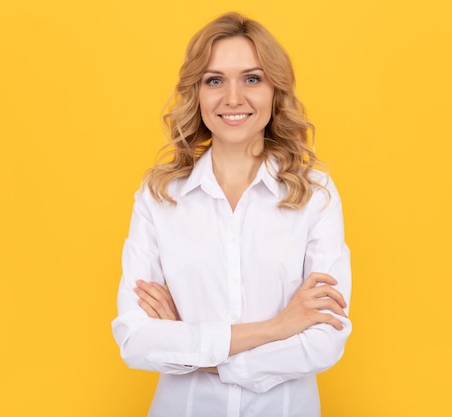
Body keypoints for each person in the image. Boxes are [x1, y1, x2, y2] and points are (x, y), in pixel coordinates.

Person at [112, 11, 352, 417]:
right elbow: (136, 340)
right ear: (197, 92)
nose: (233, 98)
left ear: (275, 90)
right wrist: (277, 328)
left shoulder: (315, 192)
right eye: (215, 80)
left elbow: (323, 341)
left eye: (252, 78)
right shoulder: (159, 196)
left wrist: (189, 345)